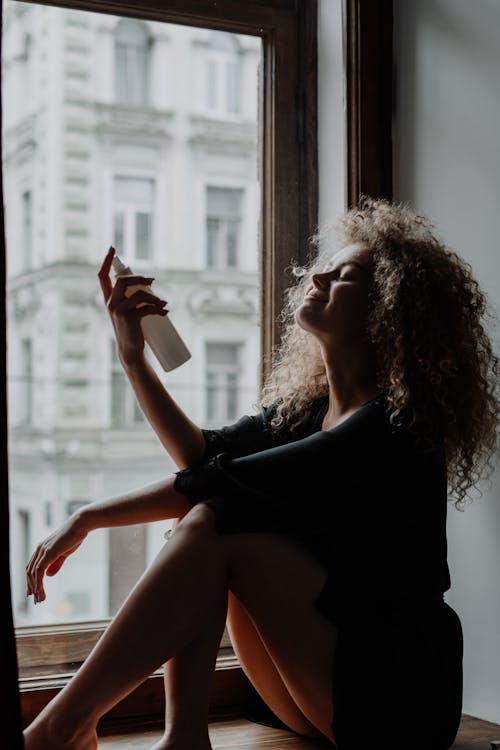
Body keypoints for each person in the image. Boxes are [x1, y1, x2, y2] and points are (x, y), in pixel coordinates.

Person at [23, 197, 499, 750]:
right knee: (207, 523)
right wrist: (134, 359)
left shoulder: (395, 426)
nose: (317, 275)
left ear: (387, 312)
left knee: (213, 521)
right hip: (320, 687)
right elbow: (205, 459)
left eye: (345, 276)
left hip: (400, 699)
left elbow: (219, 485)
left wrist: (87, 517)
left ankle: (65, 728)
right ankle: (176, 735)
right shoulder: (307, 411)